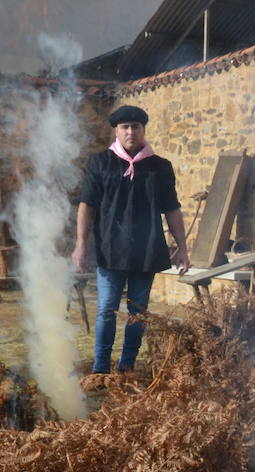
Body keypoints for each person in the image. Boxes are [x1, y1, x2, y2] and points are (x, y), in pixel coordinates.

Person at [73, 104, 190, 376]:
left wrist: (182, 248)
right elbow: (86, 205)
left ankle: (127, 366)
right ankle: (101, 368)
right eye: (125, 127)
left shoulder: (160, 167)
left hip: (146, 250)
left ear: (143, 130)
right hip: (110, 249)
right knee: (106, 310)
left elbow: (172, 209)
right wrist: (80, 243)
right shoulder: (99, 162)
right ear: (116, 130)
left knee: (138, 313)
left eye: (135, 127)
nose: (130, 132)